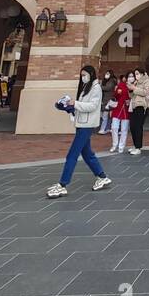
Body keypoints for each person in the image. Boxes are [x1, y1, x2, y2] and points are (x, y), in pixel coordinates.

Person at [47, 64, 113, 198]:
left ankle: (63, 184)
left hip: (86, 125)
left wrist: (74, 104)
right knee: (87, 154)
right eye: (81, 75)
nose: (83, 77)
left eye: (84, 75)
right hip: (82, 123)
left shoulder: (96, 88)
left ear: (91, 74)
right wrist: (68, 107)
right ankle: (102, 176)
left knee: (72, 155)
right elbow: (83, 106)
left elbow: (93, 106)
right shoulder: (86, 88)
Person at [129, 68, 149, 155]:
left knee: (138, 126)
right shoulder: (136, 82)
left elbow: (146, 92)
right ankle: (135, 145)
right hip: (134, 105)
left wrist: (134, 88)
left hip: (142, 106)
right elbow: (132, 95)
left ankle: (138, 147)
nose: (136, 76)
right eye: (135, 74)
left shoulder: (147, 81)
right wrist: (130, 89)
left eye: (138, 74)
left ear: (143, 74)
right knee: (132, 126)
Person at [109, 71, 132, 153]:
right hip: (117, 109)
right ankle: (114, 144)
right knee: (114, 127)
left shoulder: (134, 86)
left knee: (124, 129)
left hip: (126, 110)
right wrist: (117, 92)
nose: (130, 78)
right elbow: (115, 95)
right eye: (129, 76)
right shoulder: (121, 85)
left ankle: (121, 146)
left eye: (132, 76)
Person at [98, 69, 117, 135]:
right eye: (106, 73)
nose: (106, 75)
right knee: (106, 116)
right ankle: (107, 128)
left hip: (109, 101)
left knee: (106, 116)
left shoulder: (112, 81)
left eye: (108, 74)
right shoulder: (106, 81)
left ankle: (104, 129)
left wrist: (100, 86)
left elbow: (107, 88)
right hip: (105, 100)